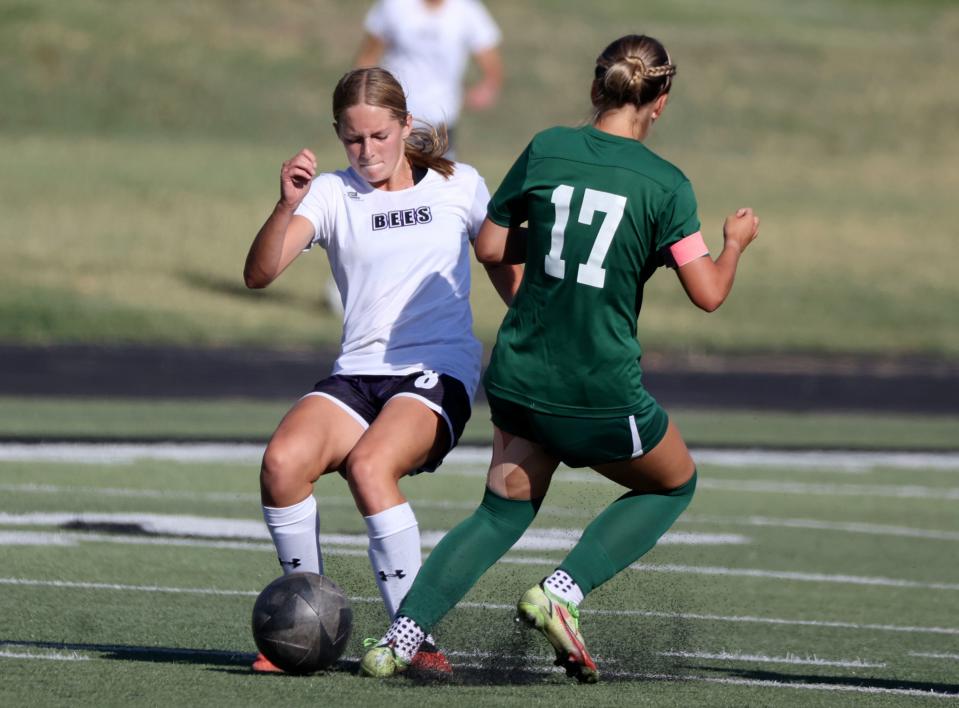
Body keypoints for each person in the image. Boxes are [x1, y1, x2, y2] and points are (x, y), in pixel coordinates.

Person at [360, 33, 760, 682]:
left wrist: (549, 235)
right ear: (659, 102)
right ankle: (561, 593)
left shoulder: (547, 147)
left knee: (501, 512)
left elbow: (491, 247)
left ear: (593, 88)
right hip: (597, 386)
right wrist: (734, 242)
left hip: (519, 377)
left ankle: (397, 639)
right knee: (673, 482)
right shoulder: (665, 186)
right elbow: (708, 292)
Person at [243, 66, 519, 674]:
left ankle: (412, 638)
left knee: (370, 466)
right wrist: (285, 205)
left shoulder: (460, 187)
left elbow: (510, 277)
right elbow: (259, 275)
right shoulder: (331, 193)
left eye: (378, 136)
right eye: (352, 138)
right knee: (282, 463)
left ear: (405, 125)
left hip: (435, 373)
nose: (366, 151)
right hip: (358, 375)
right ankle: (305, 622)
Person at [354, 0, 503, 155]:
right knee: (389, 176)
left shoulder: (467, 9)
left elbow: (489, 59)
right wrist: (362, 95)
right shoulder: (394, 5)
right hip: (395, 115)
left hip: (440, 119)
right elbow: (368, 57)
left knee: (439, 176)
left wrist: (488, 87)